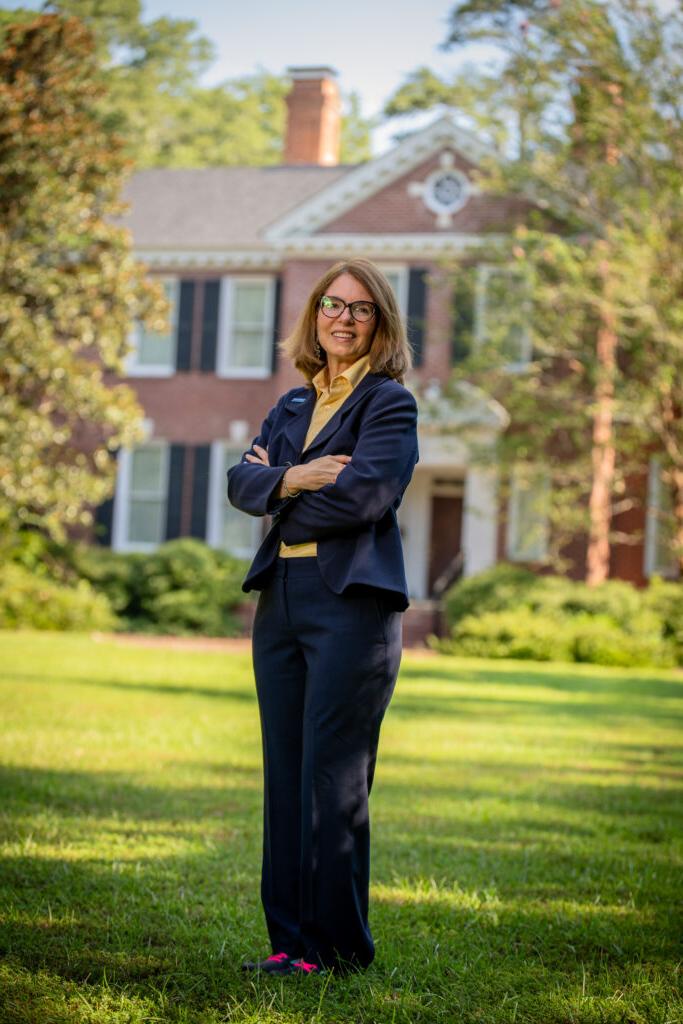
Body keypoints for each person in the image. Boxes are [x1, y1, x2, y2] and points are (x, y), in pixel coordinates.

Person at [227, 258, 419, 976]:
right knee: (284, 772)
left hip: (350, 607)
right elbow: (238, 482)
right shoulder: (289, 406)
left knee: (332, 780)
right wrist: (294, 475)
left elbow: (365, 498)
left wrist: (275, 487)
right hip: (280, 598)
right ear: (315, 317)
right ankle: (289, 944)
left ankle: (337, 948)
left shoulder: (388, 405)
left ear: (379, 323)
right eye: (331, 306)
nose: (342, 318)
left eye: (360, 309)